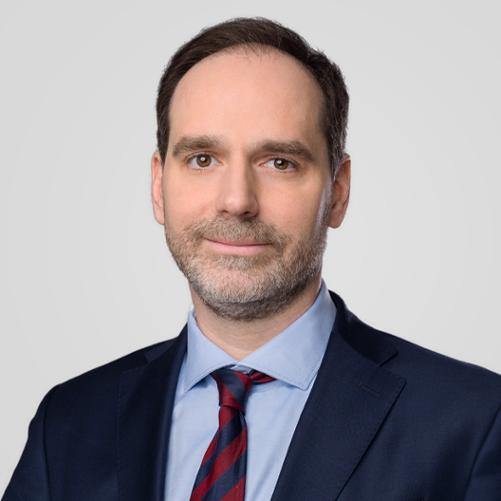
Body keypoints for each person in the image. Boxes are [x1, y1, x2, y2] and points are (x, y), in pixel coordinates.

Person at [3, 16, 500, 501]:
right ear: (158, 186)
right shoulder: (67, 422)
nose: (237, 200)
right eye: (202, 159)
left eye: (279, 162)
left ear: (338, 191)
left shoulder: (474, 423)